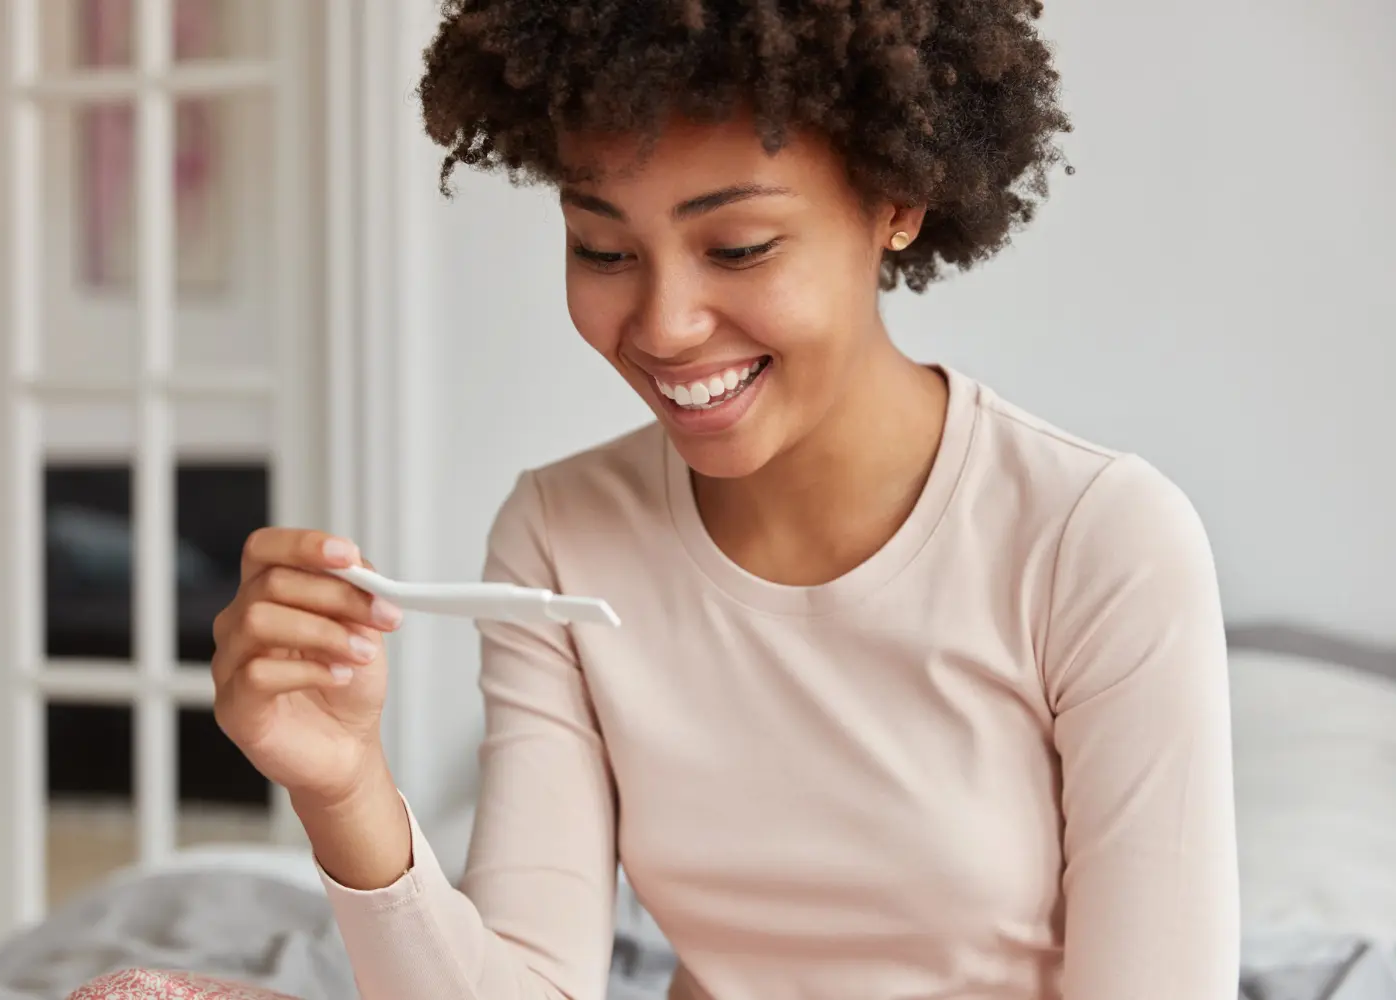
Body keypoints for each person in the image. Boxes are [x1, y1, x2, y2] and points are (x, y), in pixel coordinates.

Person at [210, 1, 1240, 997]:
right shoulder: (561, 533)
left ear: (896, 201)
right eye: (603, 250)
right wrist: (343, 786)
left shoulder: (1096, 540)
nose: (663, 326)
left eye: (740, 246)